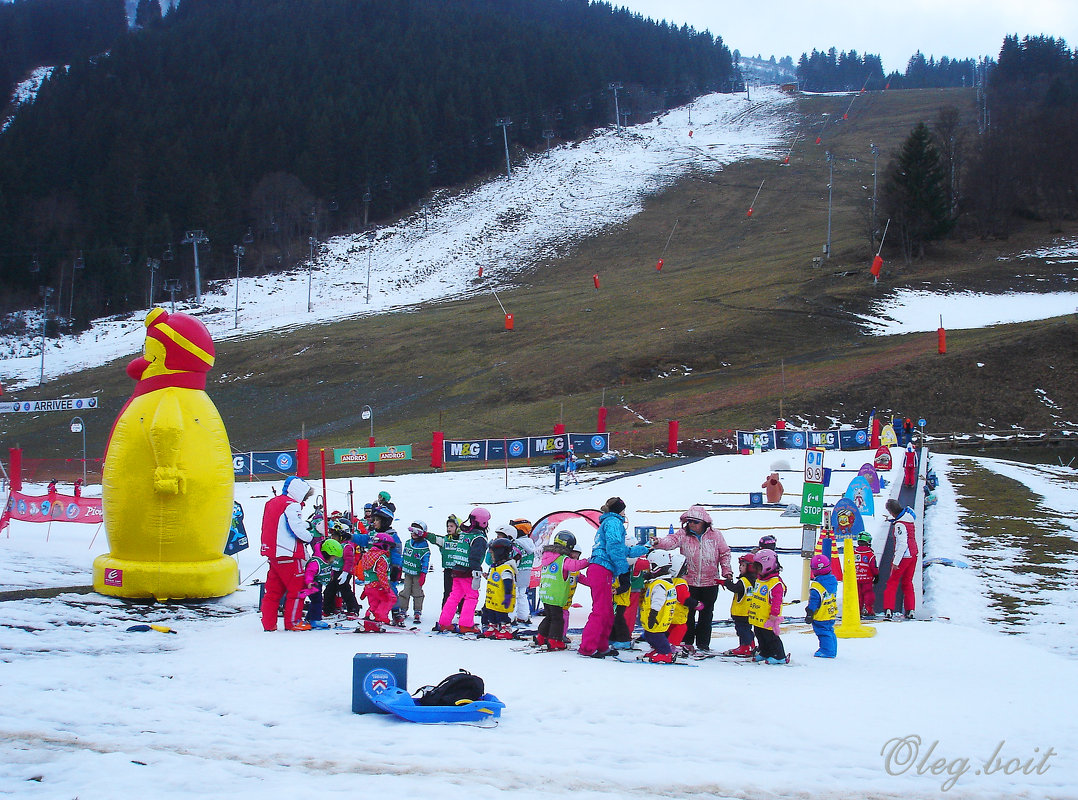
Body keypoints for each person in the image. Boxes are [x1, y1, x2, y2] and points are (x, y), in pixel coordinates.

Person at [652, 505, 733, 654]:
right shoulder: (683, 534)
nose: (691, 525)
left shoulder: (716, 536)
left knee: (707, 614)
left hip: (710, 582)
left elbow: (725, 553)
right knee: (686, 614)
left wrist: (727, 572)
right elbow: (671, 541)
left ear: (704, 522)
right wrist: (659, 543)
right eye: (689, 521)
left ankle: (703, 644)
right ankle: (686, 642)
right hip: (689, 581)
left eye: (695, 522)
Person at [579, 497, 649, 658]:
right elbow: (614, 547)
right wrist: (624, 571)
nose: (625, 514)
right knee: (600, 611)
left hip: (604, 569)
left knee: (608, 611)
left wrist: (645, 549)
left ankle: (602, 645)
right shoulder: (613, 522)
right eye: (624, 510)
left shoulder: (612, 522)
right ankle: (587, 647)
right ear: (619, 510)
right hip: (601, 568)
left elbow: (623, 550)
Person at [260, 476, 315, 632]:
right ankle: (293, 622)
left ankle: (269, 624)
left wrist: (304, 524)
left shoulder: (272, 503)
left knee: (272, 592)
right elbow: (295, 529)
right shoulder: (292, 505)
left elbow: (281, 524)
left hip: (273, 553)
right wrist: (310, 537)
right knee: (297, 590)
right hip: (289, 554)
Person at [435, 507, 490, 633]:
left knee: (454, 596)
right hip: (468, 571)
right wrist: (476, 571)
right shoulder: (478, 538)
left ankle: (444, 622)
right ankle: (466, 624)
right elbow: (475, 556)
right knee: (471, 597)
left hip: (456, 569)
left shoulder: (465, 533)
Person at [535, 531, 588, 651]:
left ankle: (541, 637)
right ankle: (555, 641)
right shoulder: (563, 559)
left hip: (546, 593)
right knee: (557, 619)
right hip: (556, 595)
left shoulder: (548, 556)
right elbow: (575, 566)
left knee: (548, 617)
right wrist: (588, 561)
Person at [748, 548, 788, 664]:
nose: (756, 571)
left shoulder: (775, 583)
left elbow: (777, 600)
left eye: (758, 568)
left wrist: (774, 614)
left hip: (769, 618)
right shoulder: (760, 580)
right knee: (760, 634)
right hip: (758, 616)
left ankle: (779, 655)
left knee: (770, 637)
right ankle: (765, 652)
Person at [638, 551, 680, 663]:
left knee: (655, 636)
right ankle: (659, 649)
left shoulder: (659, 585)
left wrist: (653, 614)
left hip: (657, 617)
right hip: (662, 618)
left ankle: (665, 653)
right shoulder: (665, 582)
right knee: (650, 635)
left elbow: (658, 600)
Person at [883, 499, 918, 620]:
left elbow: (903, 544)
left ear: (892, 512)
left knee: (892, 582)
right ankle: (910, 609)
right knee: (908, 582)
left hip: (904, 556)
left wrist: (895, 562)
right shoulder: (909, 517)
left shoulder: (899, 525)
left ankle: (888, 609)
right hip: (914, 554)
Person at [359, 532, 397, 631]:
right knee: (390, 599)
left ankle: (369, 622)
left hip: (369, 586)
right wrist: (386, 587)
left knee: (374, 604)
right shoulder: (381, 558)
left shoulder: (366, 555)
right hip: (378, 585)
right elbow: (381, 574)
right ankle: (381, 617)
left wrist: (365, 586)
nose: (388, 549)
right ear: (383, 545)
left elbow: (362, 571)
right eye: (388, 547)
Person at [301, 537, 342, 630]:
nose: (333, 560)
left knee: (317, 601)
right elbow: (309, 572)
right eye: (333, 557)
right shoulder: (316, 561)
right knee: (317, 601)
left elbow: (327, 570)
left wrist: (330, 576)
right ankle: (315, 619)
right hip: (312, 585)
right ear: (327, 553)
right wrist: (309, 582)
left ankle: (309, 619)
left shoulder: (325, 561)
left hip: (318, 584)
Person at [322, 519, 360, 618]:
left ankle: (353, 609)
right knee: (329, 591)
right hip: (335, 572)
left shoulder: (346, 546)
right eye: (332, 535)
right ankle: (328, 609)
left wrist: (345, 573)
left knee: (345, 591)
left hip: (344, 573)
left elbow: (349, 561)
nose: (333, 538)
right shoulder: (334, 546)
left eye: (335, 535)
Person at [721, 553, 757, 657]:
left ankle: (745, 647)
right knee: (747, 629)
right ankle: (750, 645)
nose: (740, 567)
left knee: (742, 630)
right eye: (740, 565)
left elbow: (735, 588)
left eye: (743, 565)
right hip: (749, 611)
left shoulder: (744, 581)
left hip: (741, 612)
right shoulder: (755, 580)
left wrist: (727, 583)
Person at [396, 520, 431, 625]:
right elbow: (404, 556)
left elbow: (425, 560)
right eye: (412, 531)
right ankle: (403, 609)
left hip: (417, 574)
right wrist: (400, 568)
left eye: (416, 532)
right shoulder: (408, 543)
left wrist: (423, 573)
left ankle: (417, 610)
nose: (413, 534)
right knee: (405, 591)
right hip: (407, 572)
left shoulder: (424, 546)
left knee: (417, 592)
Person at [481, 538, 517, 639]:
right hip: (493, 599)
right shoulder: (495, 567)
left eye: (493, 554)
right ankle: (493, 627)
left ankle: (506, 629)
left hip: (501, 599)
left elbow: (507, 582)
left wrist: (508, 596)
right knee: (492, 614)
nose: (491, 556)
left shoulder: (505, 568)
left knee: (502, 615)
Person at [806, 554, 838, 658]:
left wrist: (810, 612)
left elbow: (814, 601)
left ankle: (827, 651)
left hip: (821, 614)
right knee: (829, 630)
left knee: (823, 632)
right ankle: (831, 648)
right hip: (830, 611)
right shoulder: (832, 581)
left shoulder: (816, 586)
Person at [428, 514, 463, 608]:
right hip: (448, 570)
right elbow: (434, 538)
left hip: (461, 570)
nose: (449, 528)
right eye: (448, 526)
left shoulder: (463, 540)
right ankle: (445, 610)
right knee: (448, 591)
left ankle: (461, 610)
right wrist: (424, 534)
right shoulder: (445, 540)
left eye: (451, 526)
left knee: (461, 591)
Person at [509, 519, 536, 624]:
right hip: (527, 571)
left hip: (516, 571)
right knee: (522, 594)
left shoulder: (516, 544)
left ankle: (510, 616)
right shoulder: (530, 543)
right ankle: (523, 616)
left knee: (512, 594)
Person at [854, 531, 880, 618]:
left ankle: (858, 610)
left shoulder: (854, 553)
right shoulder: (870, 554)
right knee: (868, 594)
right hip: (867, 579)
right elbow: (873, 566)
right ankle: (869, 610)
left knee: (858, 595)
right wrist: (876, 575)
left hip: (856, 578)